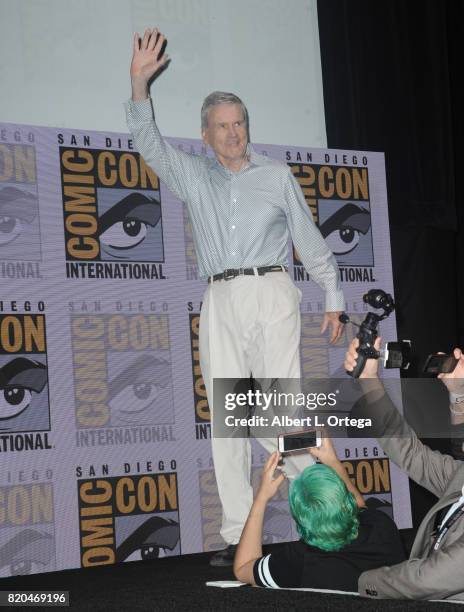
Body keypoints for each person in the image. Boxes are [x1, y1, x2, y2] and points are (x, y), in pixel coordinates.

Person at [125, 28, 345, 566]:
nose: (233, 134)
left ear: (248, 126)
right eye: (222, 127)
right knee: (230, 422)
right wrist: (138, 83)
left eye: (239, 123)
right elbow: (148, 143)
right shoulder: (193, 175)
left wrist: (333, 294)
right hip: (220, 297)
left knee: (282, 410)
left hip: (272, 290)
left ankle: (317, 524)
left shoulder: (275, 175)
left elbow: (306, 237)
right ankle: (235, 536)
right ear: (205, 134)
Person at [344, 340, 464, 600]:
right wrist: (369, 379)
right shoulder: (460, 476)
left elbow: (425, 580)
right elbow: (408, 452)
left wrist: (357, 583)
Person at [233, 440, 405, 590]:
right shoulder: (383, 527)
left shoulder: (297, 560)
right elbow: (361, 508)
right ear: (347, 502)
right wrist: (333, 462)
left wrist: (261, 498)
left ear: (299, 519)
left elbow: (242, 568)